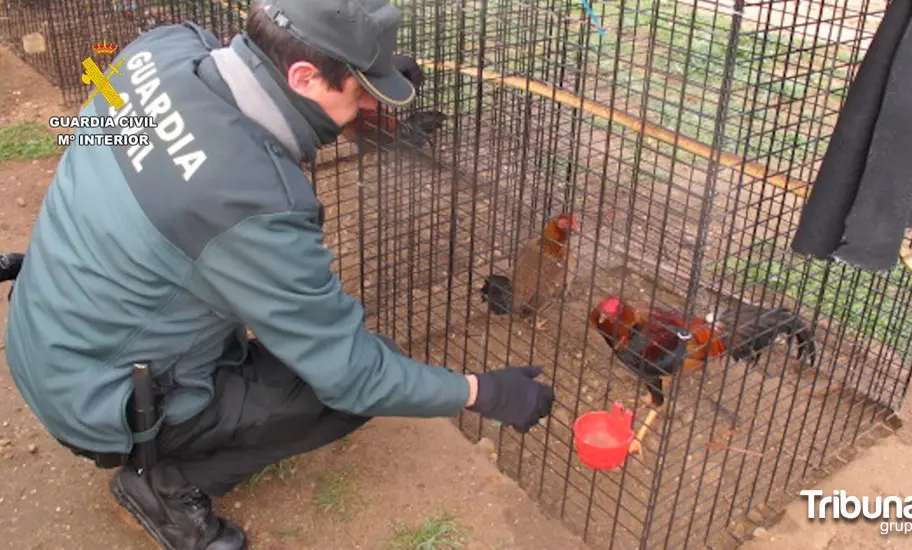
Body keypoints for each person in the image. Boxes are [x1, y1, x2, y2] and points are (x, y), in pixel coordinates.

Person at [1, 0, 554, 548]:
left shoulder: (159, 49)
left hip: (45, 330)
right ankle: (165, 487)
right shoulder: (251, 206)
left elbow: (224, 122)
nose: (364, 103)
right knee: (347, 390)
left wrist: (355, 87)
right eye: (360, 88)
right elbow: (355, 375)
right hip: (97, 398)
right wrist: (482, 392)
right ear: (305, 75)